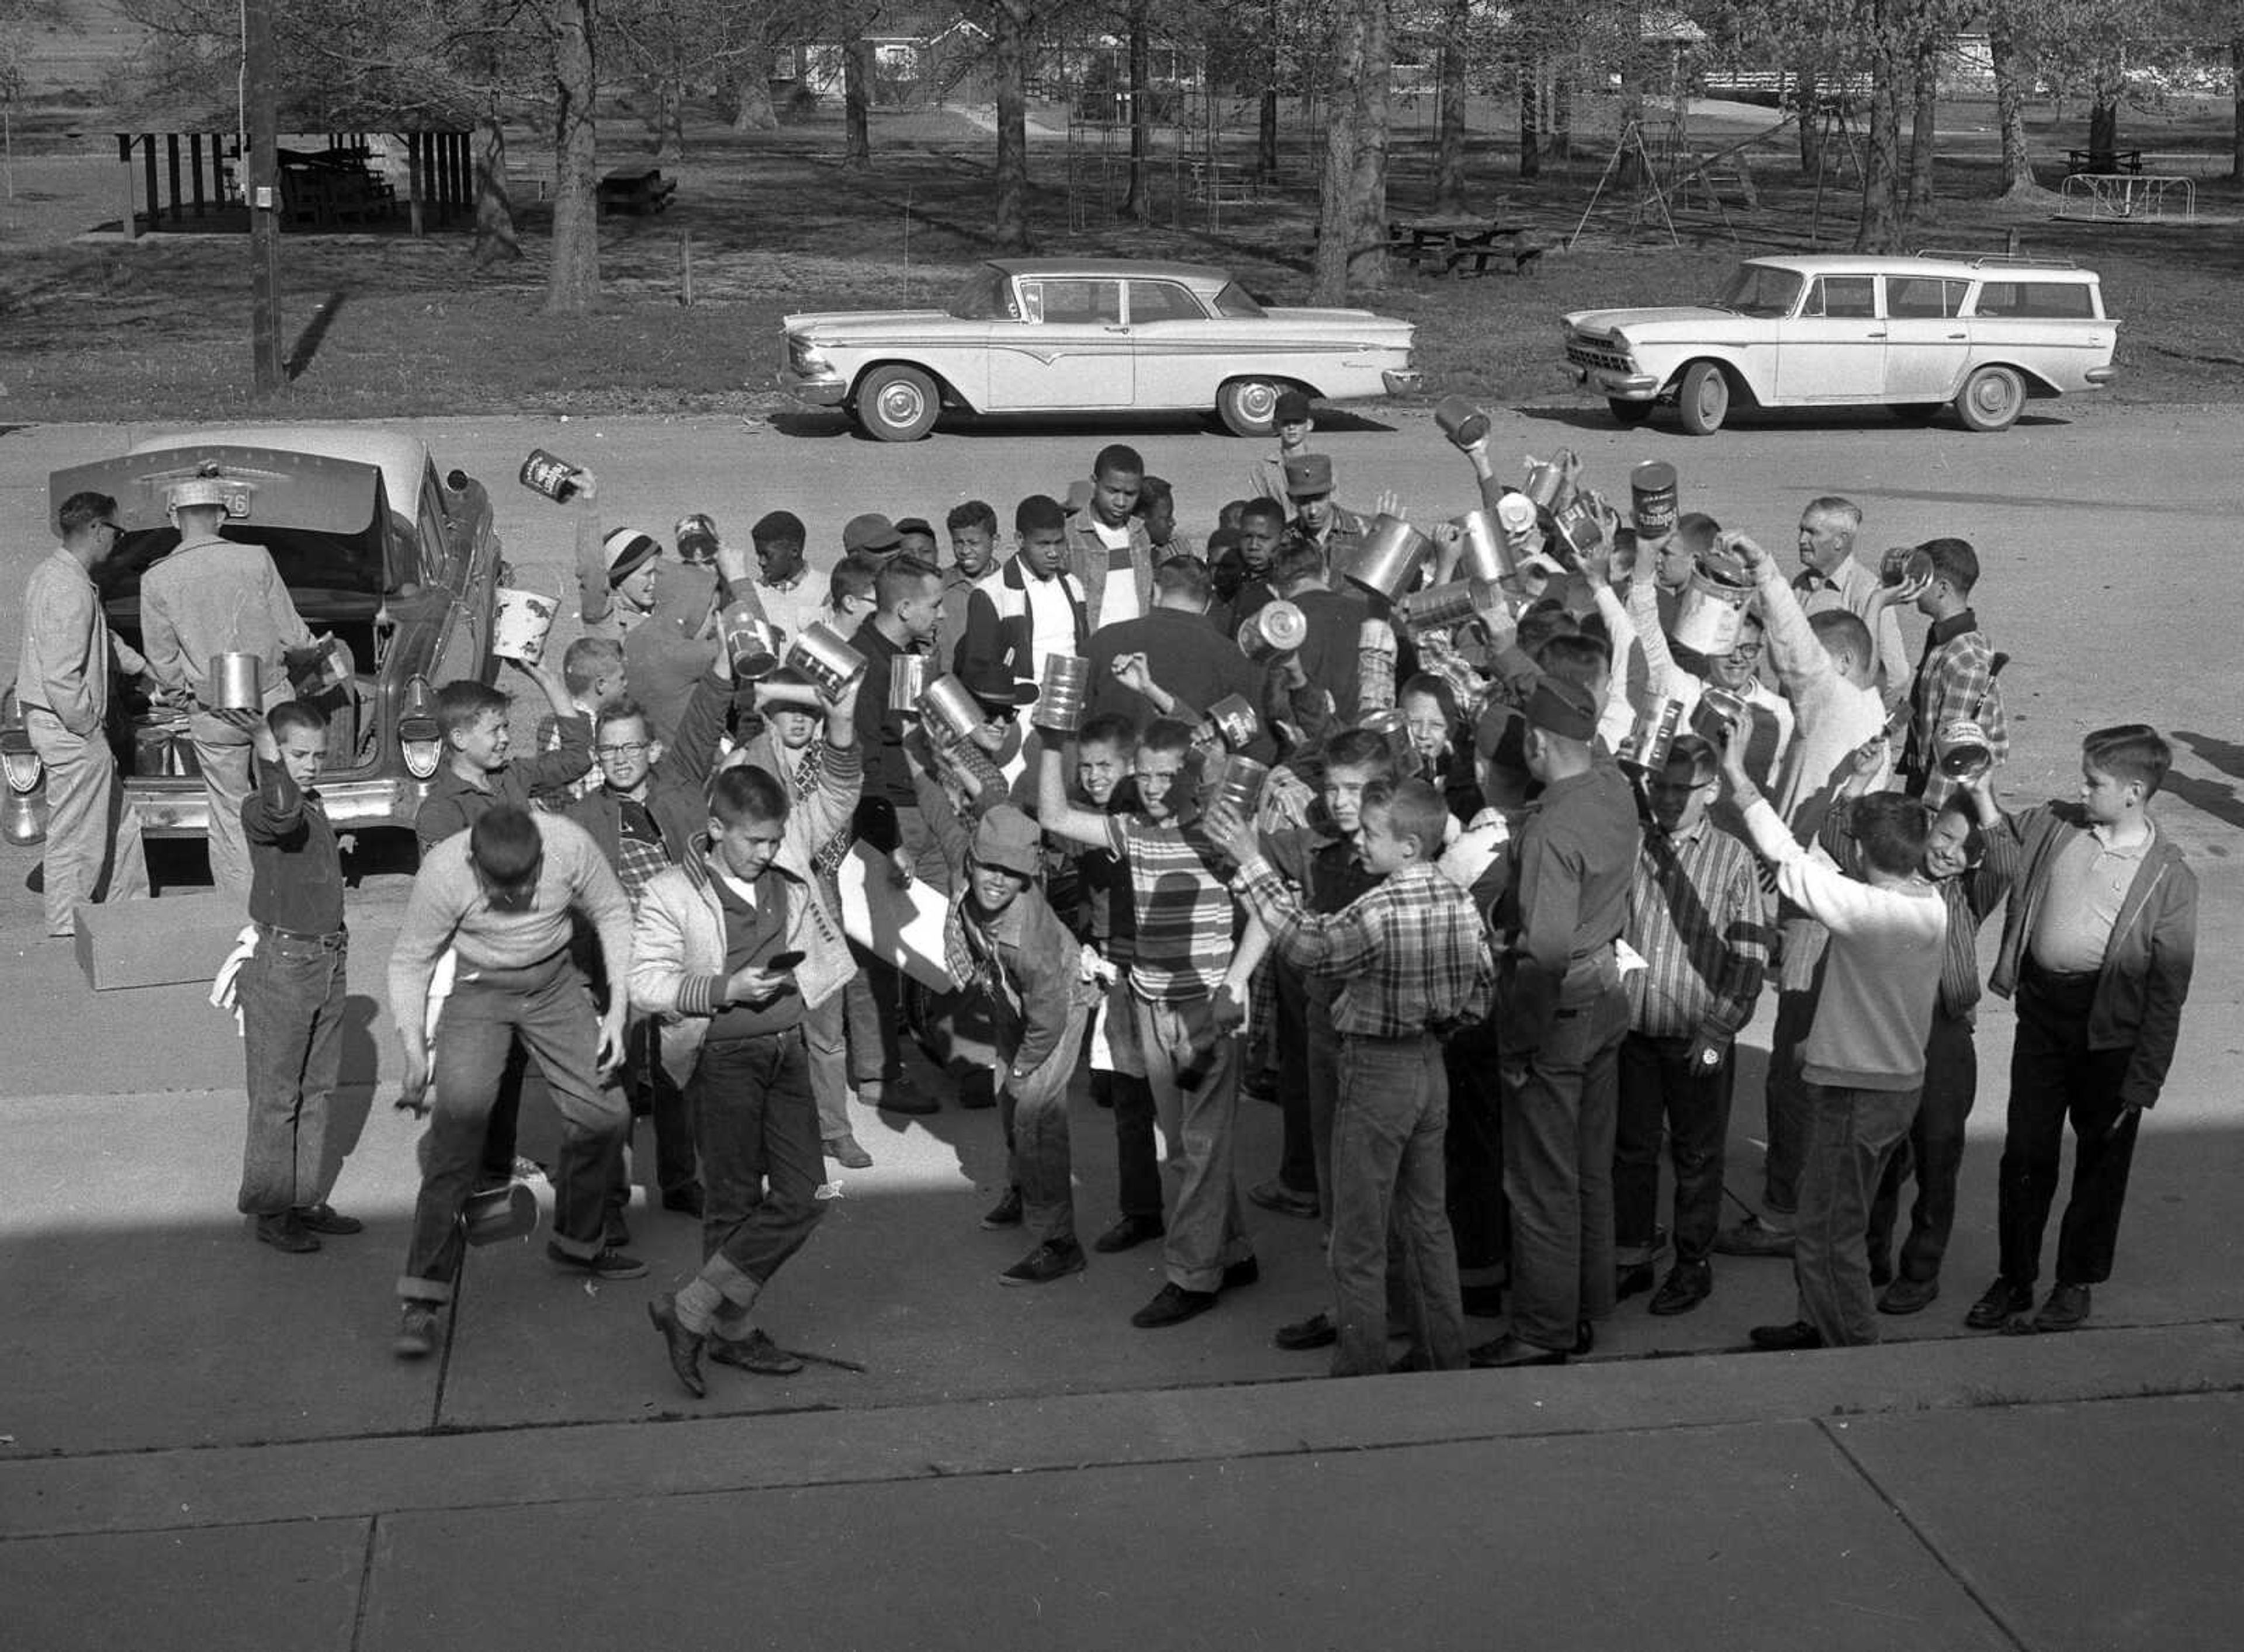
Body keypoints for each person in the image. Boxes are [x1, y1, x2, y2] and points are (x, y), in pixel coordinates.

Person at [635, 682, 865, 1397]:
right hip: (722, 1058)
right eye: (753, 842)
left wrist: (844, 717)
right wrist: (723, 991)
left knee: (805, 1194)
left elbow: (837, 791)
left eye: (774, 841)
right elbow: (646, 984)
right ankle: (729, 1333)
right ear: (716, 828)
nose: (767, 854)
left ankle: (692, 1309)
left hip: (786, 1050)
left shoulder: (786, 852)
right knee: (732, 1201)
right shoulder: (672, 892)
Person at [1222, 777, 1493, 1376]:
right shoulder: (1458, 900)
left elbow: (1307, 946)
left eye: (1372, 834)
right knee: (1427, 1221)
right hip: (1429, 1066)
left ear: (1410, 847)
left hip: (1377, 1071)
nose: (1362, 843)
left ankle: (1361, 1361)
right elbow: (1482, 991)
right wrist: (1439, 1028)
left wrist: (1250, 863)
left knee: (1359, 1230)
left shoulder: (1378, 909)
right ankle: (1443, 1356)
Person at [1037, 719, 1270, 1330]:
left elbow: (1269, 913)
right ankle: (1234, 1253)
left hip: (1208, 1012)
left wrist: (1234, 984)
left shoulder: (1219, 832)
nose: (1156, 787)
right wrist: (1051, 741)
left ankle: (1191, 1276)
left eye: (1169, 775)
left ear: (1193, 775)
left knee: (1198, 1146)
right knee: (1191, 1152)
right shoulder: (1130, 829)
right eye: (1145, 775)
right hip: (1149, 1003)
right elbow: (1056, 816)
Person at [1967, 725, 2196, 1335]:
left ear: (2134, 792)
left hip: (2111, 1037)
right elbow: (2003, 844)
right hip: (2043, 1015)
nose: (2081, 788)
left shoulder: (2169, 877)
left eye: (2094, 781)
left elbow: (2168, 990)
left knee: (2101, 1164)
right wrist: (1981, 788)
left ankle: (2075, 1283)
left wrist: (2143, 1080)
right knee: (2025, 1152)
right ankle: (2014, 1277)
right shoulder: (2059, 825)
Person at [389, 805, 639, 1360]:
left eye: (525, 885)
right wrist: (413, 1049)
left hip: (554, 983)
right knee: (456, 1142)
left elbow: (614, 912)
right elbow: (411, 960)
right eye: (500, 890)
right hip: (479, 990)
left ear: (542, 859)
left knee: (606, 1113)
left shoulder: (568, 844)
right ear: (474, 862)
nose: (515, 900)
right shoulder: (444, 871)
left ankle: (579, 1242)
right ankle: (422, 1300)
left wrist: (618, 1011)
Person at [1724, 740, 1947, 1352]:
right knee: (1836, 1218)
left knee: (1829, 1228)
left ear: (1868, 852)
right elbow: (1844, 856)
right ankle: (1816, 1319)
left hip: (1857, 1093)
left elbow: (1789, 859)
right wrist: (1859, 785)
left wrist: (1739, 775)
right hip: (1891, 1088)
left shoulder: (1868, 911)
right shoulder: (1927, 903)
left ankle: (1852, 1346)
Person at [1715, 531, 1895, 1263]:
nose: (1791, 683)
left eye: (1808, 674)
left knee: (1794, 1064)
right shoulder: (1854, 725)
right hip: (1816, 899)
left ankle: (1785, 1209)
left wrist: (1763, 573)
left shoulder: (1840, 704)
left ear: (1843, 664)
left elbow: (1796, 649)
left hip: (1816, 913)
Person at [1472, 678, 1640, 1369]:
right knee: (1589, 1169)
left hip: (1560, 1006)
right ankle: (1587, 1303)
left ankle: (1543, 1328)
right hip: (1606, 992)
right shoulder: (1613, 784)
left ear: (1538, 745)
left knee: (1541, 1180)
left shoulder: (1550, 831)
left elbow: (1540, 955)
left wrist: (1516, 1042)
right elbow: (1584, 732)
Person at [564, 674, 737, 1224]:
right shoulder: (583, 818)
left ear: (653, 749)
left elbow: (708, 713)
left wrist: (727, 660)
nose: (620, 759)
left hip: (683, 957)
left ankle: (681, 1180)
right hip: (617, 967)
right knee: (611, 1086)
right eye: (609, 748)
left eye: (631, 746)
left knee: (678, 1076)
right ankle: (610, 1205)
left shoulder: (682, 786)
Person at [1833, 780, 2011, 1314]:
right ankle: (1871, 1258)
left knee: (1937, 1155)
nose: (1949, 853)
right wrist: (1858, 780)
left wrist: (1981, 795)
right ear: (1925, 827)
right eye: (1945, 836)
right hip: (1888, 1033)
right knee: (1883, 1155)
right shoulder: (1886, 874)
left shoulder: (1966, 896)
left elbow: (2004, 862)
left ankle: (1920, 1271)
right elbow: (1837, 829)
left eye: (1964, 850)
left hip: (1944, 1035)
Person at [1613, 735, 1770, 1316]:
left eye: (1685, 789)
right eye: (1663, 786)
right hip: (1633, 1033)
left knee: (1697, 1156)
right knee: (1630, 1151)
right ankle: (1630, 1258)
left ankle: (1691, 1263)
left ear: (1711, 792)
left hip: (1696, 1037)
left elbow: (1749, 956)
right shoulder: (1632, 844)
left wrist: (1719, 1030)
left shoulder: (1731, 858)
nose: (1672, 799)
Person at [138, 470, 320, 898]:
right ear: (222, 516)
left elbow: (162, 662)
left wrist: (187, 695)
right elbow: (294, 636)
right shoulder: (256, 557)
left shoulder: (156, 579)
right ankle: (293, 888)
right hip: (272, 700)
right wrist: (313, 652)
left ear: (172, 518)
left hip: (212, 710)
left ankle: (243, 902)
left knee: (229, 810)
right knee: (285, 794)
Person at [939, 805, 1097, 1284]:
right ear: (971, 861)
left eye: (1012, 873)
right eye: (990, 866)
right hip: (1012, 998)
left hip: (1058, 1007)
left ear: (1027, 878)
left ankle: (1060, 1241)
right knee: (1007, 1104)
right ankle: (1023, 1188)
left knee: (1035, 1117)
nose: (998, 880)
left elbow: (1048, 1018)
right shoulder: (966, 887)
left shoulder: (1029, 939)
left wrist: (1025, 1068)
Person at [726, 667, 873, 1169]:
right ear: (768, 714)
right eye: (791, 707)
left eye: (811, 710)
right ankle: (769, 1138)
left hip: (819, 897)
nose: (801, 720)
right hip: (759, 908)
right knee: (765, 1034)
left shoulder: (827, 757)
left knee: (827, 1030)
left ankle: (836, 1128)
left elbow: (841, 791)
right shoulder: (744, 763)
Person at [231, 701, 359, 1255]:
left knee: (317, 1087)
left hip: (327, 957)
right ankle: (271, 1207)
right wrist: (264, 747)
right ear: (274, 753)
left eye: (318, 755)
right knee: (277, 1093)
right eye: (298, 754)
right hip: (285, 963)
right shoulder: (263, 807)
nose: (310, 765)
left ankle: (303, 1196)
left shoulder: (308, 802)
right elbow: (281, 813)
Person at [15, 489, 150, 936]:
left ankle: (128, 911)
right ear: (96, 529)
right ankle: (67, 924)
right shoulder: (66, 586)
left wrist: (145, 670)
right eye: (116, 530)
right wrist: (88, 728)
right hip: (68, 726)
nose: (118, 540)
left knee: (118, 820)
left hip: (68, 723)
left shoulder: (65, 578)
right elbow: (60, 675)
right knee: (77, 833)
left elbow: (102, 640)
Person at [846, 556, 948, 1116]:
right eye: (934, 603)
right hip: (888, 818)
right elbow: (862, 765)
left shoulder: (905, 657)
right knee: (880, 954)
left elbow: (908, 736)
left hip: (917, 810)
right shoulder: (863, 664)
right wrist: (890, 842)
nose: (941, 610)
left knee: (930, 942)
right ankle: (878, 1073)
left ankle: (950, 1060)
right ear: (904, 607)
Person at [1085, 557, 1270, 752]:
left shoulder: (1104, 641)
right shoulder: (1236, 660)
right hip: (1192, 776)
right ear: (1208, 604)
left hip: (1107, 776)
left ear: (1155, 592)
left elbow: (1070, 724)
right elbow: (1255, 747)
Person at [414, 667, 594, 854]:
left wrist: (549, 681)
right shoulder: (441, 810)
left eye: (505, 728)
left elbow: (578, 758)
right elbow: (445, 877)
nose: (506, 738)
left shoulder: (512, 776)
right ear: (460, 739)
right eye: (495, 730)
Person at [1893, 537, 2008, 811]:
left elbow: (1953, 749)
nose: (1910, 587)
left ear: (1942, 588)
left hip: (1949, 797)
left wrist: (1931, 814)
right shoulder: (1940, 638)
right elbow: (1919, 703)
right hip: (1922, 776)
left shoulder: (1965, 660)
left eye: (1919, 580)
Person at [957, 496, 1090, 685]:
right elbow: (980, 671)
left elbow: (1083, 651)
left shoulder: (1073, 585)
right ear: (1020, 539)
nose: (1053, 553)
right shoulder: (992, 593)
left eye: (1059, 542)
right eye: (1043, 544)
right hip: (1021, 709)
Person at [1792, 497, 1910, 703]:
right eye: (1802, 530)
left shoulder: (1866, 591)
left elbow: (1896, 676)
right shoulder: (1801, 585)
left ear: (1840, 540)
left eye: (1812, 532)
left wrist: (1868, 720)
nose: (1802, 540)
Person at [1063, 444, 1155, 630]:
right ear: (1094, 483)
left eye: (1130, 494)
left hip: (1135, 643)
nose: (1121, 502)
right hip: (1092, 645)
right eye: (1112, 491)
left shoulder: (1139, 534)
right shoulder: (1070, 535)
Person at [747, 510, 826, 642]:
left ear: (794, 551)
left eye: (767, 555)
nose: (761, 562)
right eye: (758, 555)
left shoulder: (828, 589)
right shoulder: (752, 593)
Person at [1281, 454, 1373, 567]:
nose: (1313, 511)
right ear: (1291, 499)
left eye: (1319, 499)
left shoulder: (1365, 532)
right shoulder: (1283, 541)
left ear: (1332, 492)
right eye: (1304, 502)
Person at [940, 500, 1002, 662]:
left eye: (974, 543)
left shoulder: (1011, 585)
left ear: (995, 541)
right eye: (958, 543)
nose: (965, 551)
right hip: (947, 683)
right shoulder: (937, 586)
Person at [1249, 389, 1318, 503]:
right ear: (1276, 426)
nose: (1291, 427)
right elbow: (1259, 509)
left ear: (1309, 425)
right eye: (1286, 422)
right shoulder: (1263, 469)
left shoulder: (1320, 464)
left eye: (1297, 421)